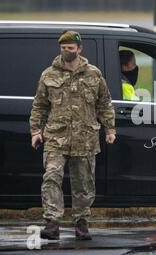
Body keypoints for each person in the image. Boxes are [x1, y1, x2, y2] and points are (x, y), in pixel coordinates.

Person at [29, 30, 116, 240]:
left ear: (79, 49)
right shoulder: (49, 74)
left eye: (70, 48)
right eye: (63, 48)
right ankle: (52, 223)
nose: (66, 51)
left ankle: (81, 223)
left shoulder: (93, 74)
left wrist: (110, 130)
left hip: (85, 139)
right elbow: (39, 106)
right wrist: (35, 131)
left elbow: (104, 103)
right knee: (51, 179)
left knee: (83, 184)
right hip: (55, 138)